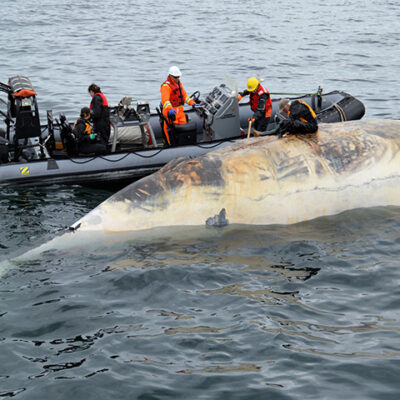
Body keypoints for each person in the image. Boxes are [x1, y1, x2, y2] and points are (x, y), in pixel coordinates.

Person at [160, 66, 196, 145]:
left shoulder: (179, 84)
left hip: (180, 112)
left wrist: (192, 103)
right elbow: (165, 101)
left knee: (183, 130)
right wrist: (170, 109)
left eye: (178, 77)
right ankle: (169, 145)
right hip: (170, 112)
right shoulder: (166, 86)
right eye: (175, 77)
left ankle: (183, 144)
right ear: (170, 76)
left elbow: (185, 97)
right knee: (170, 131)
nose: (177, 79)